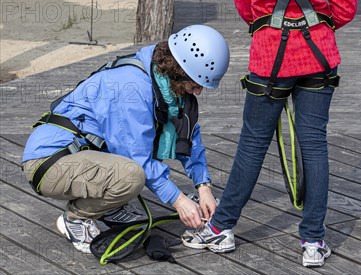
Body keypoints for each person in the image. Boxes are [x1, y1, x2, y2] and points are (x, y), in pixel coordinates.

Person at [181, 0, 357, 268]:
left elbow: (245, 8)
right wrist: (315, 22)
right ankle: (312, 242)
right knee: (314, 145)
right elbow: (346, 8)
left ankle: (222, 229)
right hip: (317, 57)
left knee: (252, 144)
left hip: (269, 61)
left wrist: (275, 24)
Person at [22, 24, 230, 254]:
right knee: (132, 176)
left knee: (131, 172)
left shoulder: (164, 81)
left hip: (86, 158)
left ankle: (108, 208)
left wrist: (203, 187)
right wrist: (179, 201)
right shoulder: (130, 88)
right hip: (50, 162)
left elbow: (189, 134)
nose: (198, 92)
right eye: (195, 84)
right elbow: (137, 158)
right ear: (179, 71)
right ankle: (76, 219)